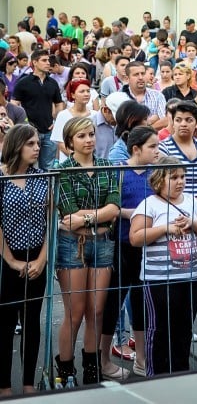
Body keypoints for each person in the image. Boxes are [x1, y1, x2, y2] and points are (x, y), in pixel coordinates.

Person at [129, 157, 197, 375]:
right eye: (173, 177)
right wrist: (165, 228)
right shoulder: (149, 205)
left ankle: (180, 373)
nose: (180, 181)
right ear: (158, 180)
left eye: (183, 177)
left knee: (184, 329)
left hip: (191, 276)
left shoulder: (191, 201)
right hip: (159, 279)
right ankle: (156, 375)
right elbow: (136, 237)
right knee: (160, 330)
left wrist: (192, 223)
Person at [53, 117, 121, 385]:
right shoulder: (63, 169)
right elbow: (67, 213)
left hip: (103, 242)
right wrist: (98, 216)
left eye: (91, 134)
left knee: (97, 311)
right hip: (72, 244)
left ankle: (92, 370)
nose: (89, 139)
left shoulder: (107, 166)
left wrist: (88, 218)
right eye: (82, 136)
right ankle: (65, 371)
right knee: (75, 311)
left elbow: (114, 207)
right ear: (70, 142)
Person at [98, 126, 158, 380]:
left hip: (148, 246)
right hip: (122, 245)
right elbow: (110, 207)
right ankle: (102, 359)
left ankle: (142, 359)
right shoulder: (119, 171)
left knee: (142, 303)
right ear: (136, 149)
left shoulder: (156, 173)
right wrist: (137, 213)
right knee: (113, 303)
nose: (158, 151)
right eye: (153, 147)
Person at [0, 125, 48, 395]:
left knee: (32, 321)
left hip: (36, 255)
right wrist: (11, 261)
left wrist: (42, 259)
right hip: (7, 258)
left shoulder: (42, 176)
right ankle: (4, 385)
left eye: (38, 143)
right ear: (17, 145)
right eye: (31, 143)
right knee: (4, 322)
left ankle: (29, 383)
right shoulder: (1, 177)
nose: (37, 148)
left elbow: (50, 218)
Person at [12, 49, 64, 169]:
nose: (48, 63)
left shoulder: (52, 83)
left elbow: (59, 104)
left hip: (49, 131)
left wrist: (57, 122)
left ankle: (47, 189)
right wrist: (24, 123)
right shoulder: (23, 82)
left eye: (49, 60)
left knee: (48, 167)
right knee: (30, 166)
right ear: (35, 62)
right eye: (44, 60)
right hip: (29, 131)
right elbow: (14, 104)